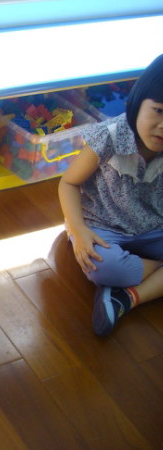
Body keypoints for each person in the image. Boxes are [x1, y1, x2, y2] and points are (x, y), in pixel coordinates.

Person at [59, 53, 163, 336]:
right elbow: (68, 184)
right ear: (137, 102)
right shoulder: (111, 134)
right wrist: (77, 229)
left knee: (115, 271)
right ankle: (147, 274)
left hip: (154, 226)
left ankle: (127, 297)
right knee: (103, 267)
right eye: (158, 110)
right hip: (103, 223)